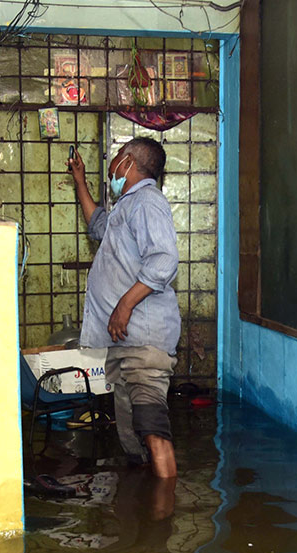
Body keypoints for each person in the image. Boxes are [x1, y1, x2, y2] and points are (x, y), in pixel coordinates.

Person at [67, 137, 180, 479]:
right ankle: (143, 513)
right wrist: (80, 181)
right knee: (132, 438)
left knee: (152, 430)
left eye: (116, 157)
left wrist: (124, 306)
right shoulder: (126, 207)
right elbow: (98, 225)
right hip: (125, 346)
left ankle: (165, 520)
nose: (112, 165)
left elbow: (164, 261)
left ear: (129, 163)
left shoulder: (147, 202)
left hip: (144, 344)